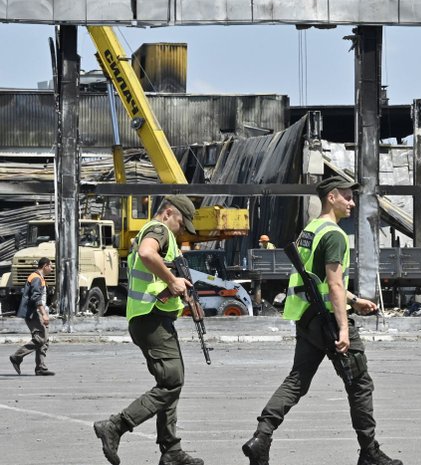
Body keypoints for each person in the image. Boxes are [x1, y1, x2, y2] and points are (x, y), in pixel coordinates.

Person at [242, 176, 403, 465]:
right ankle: (369, 452)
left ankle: (261, 436)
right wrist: (344, 327)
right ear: (331, 197)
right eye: (347, 196)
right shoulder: (335, 235)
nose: (352, 202)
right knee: (360, 384)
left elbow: (317, 280)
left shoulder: (311, 230)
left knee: (297, 380)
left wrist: (355, 301)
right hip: (328, 321)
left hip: (307, 319)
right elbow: (333, 284)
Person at [93, 195, 204, 465]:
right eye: (181, 222)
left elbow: (158, 275)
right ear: (168, 213)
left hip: (153, 318)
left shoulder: (162, 234)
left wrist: (181, 291)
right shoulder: (159, 229)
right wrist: (172, 280)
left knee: (170, 383)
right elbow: (146, 253)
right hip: (150, 318)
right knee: (172, 382)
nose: (181, 229)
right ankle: (116, 426)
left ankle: (171, 450)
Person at [9, 257, 55, 376]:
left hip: (38, 312)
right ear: (45, 266)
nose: (52, 268)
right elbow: (36, 298)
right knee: (41, 338)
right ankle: (17, 357)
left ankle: (40, 368)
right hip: (34, 313)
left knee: (44, 340)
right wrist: (43, 314)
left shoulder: (39, 277)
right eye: (50, 266)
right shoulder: (36, 278)